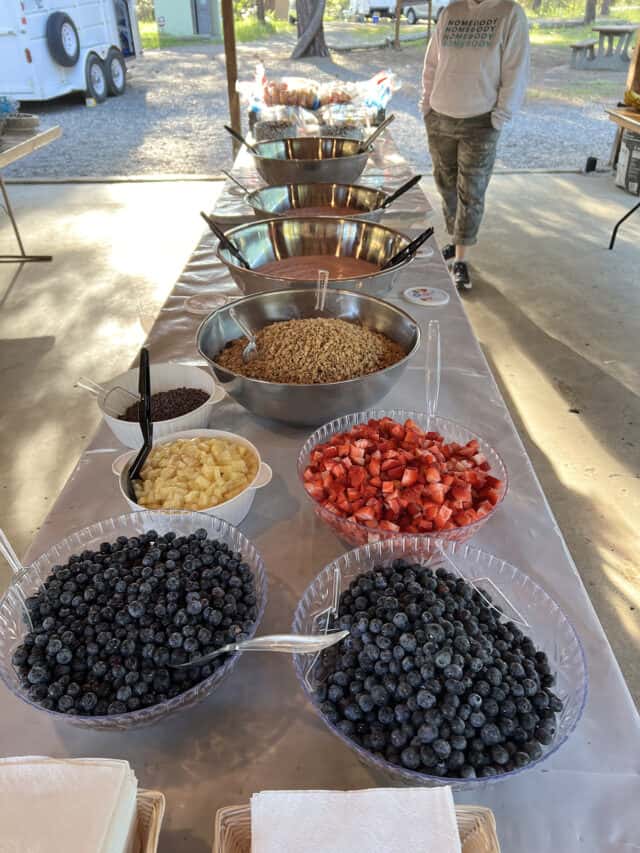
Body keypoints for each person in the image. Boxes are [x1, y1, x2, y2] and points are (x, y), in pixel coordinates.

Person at [420, 0, 530, 290]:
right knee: (445, 184)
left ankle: (461, 259)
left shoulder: (509, 13)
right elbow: (433, 61)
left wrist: (501, 115)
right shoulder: (451, 11)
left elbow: (515, 68)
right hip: (440, 115)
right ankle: (456, 240)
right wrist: (426, 105)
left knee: (471, 191)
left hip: (481, 120)